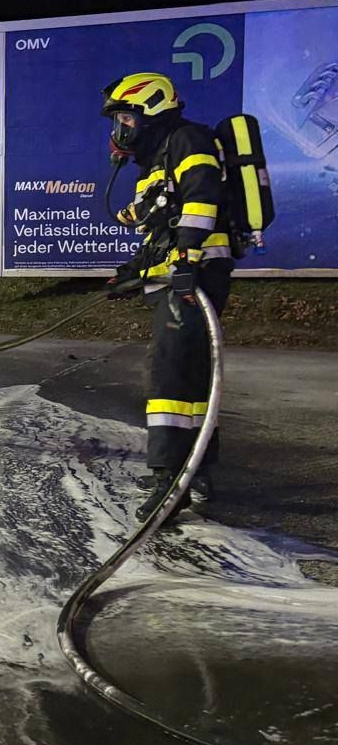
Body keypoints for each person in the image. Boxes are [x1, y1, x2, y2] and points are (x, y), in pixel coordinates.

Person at [102, 72, 234, 521]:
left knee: (170, 376)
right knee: (194, 379)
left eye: (125, 118)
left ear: (151, 109)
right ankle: (197, 472)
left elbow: (201, 200)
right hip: (180, 279)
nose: (120, 129)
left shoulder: (187, 139)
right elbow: (155, 233)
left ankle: (167, 478)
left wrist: (187, 260)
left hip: (196, 277)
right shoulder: (153, 164)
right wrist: (131, 272)